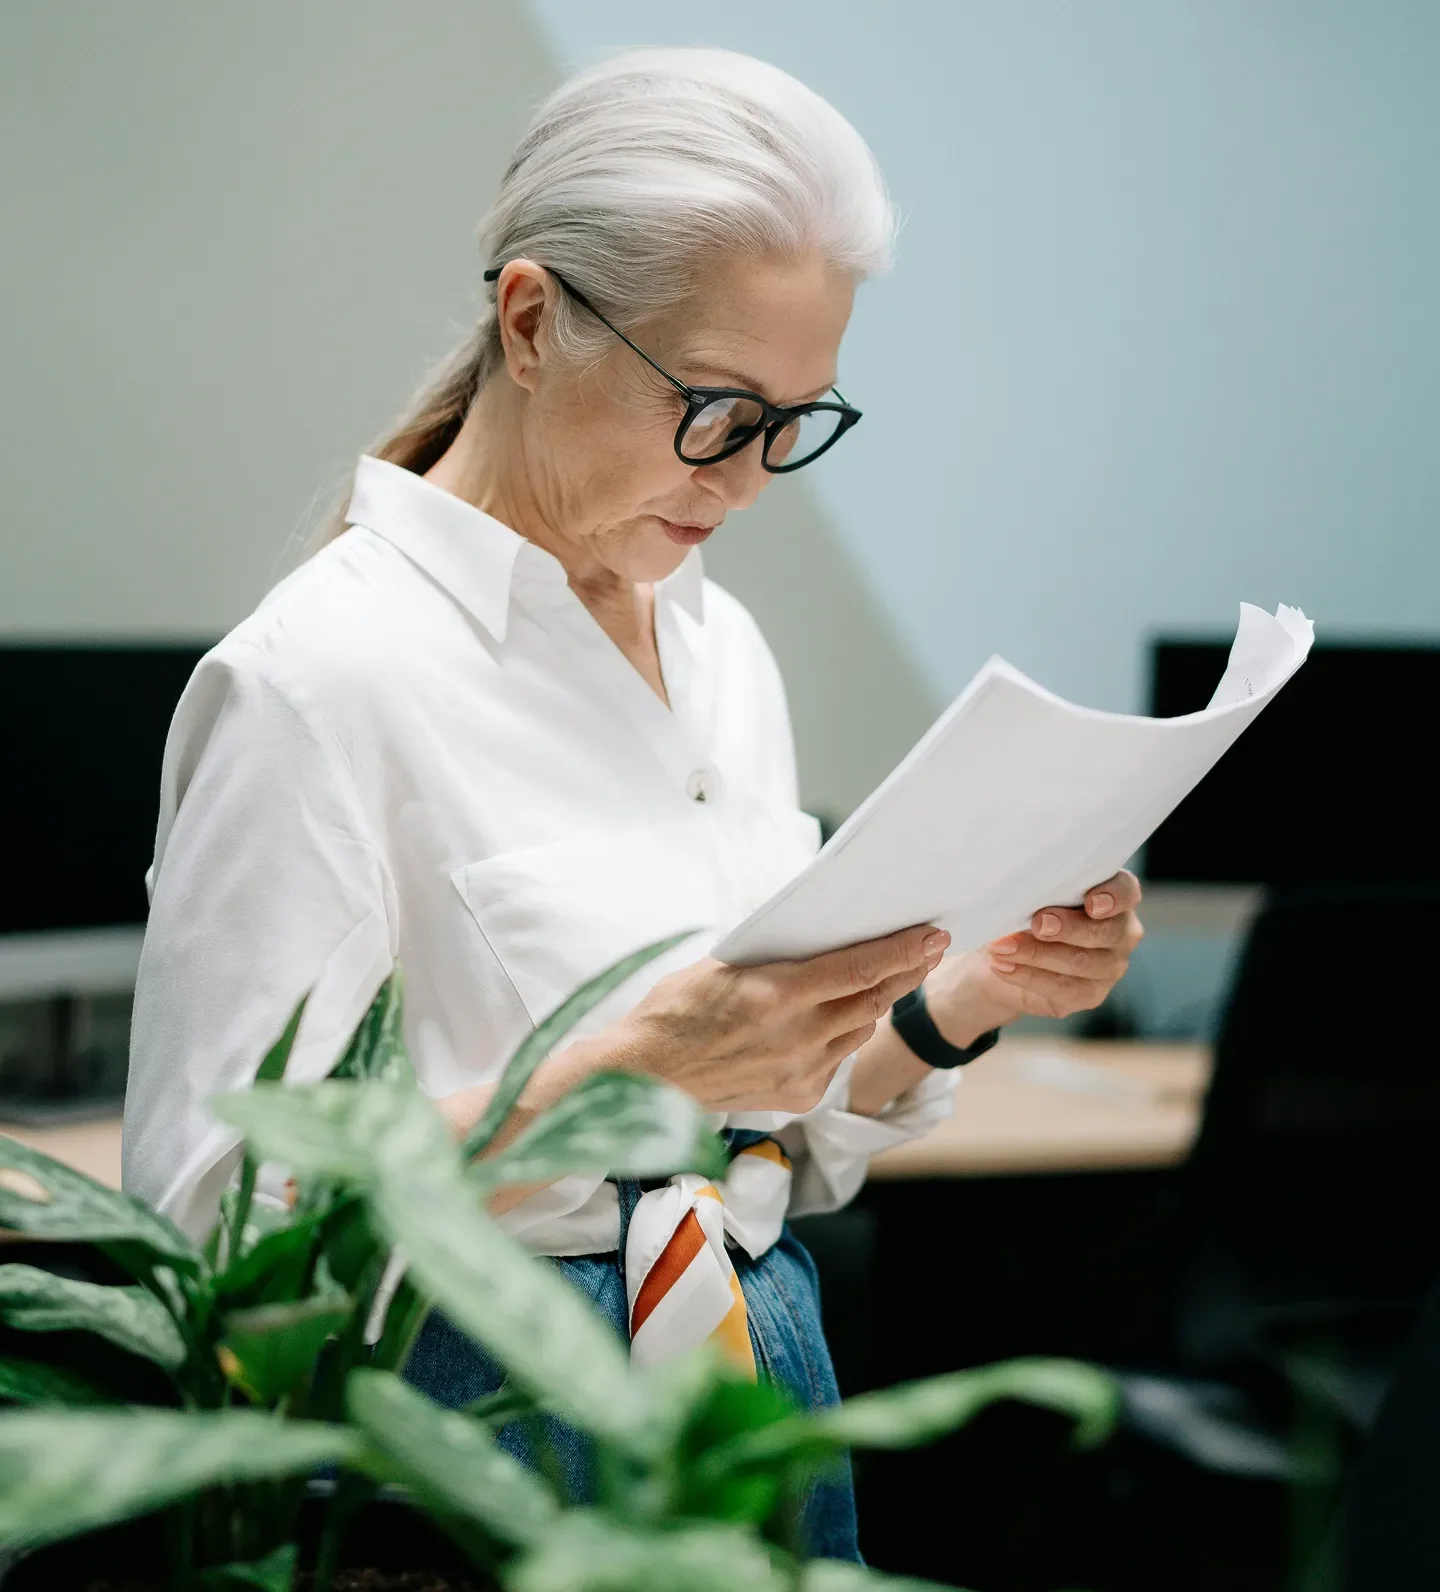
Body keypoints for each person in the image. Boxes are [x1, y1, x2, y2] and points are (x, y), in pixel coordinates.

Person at [123, 47, 1142, 1560]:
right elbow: (221, 1227)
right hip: (471, 1438)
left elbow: (749, 1134)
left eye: (798, 420)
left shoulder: (720, 647)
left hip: (758, 1382)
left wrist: (956, 998)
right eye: (716, 409)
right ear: (533, 323)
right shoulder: (318, 681)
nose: (746, 480)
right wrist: (629, 1066)